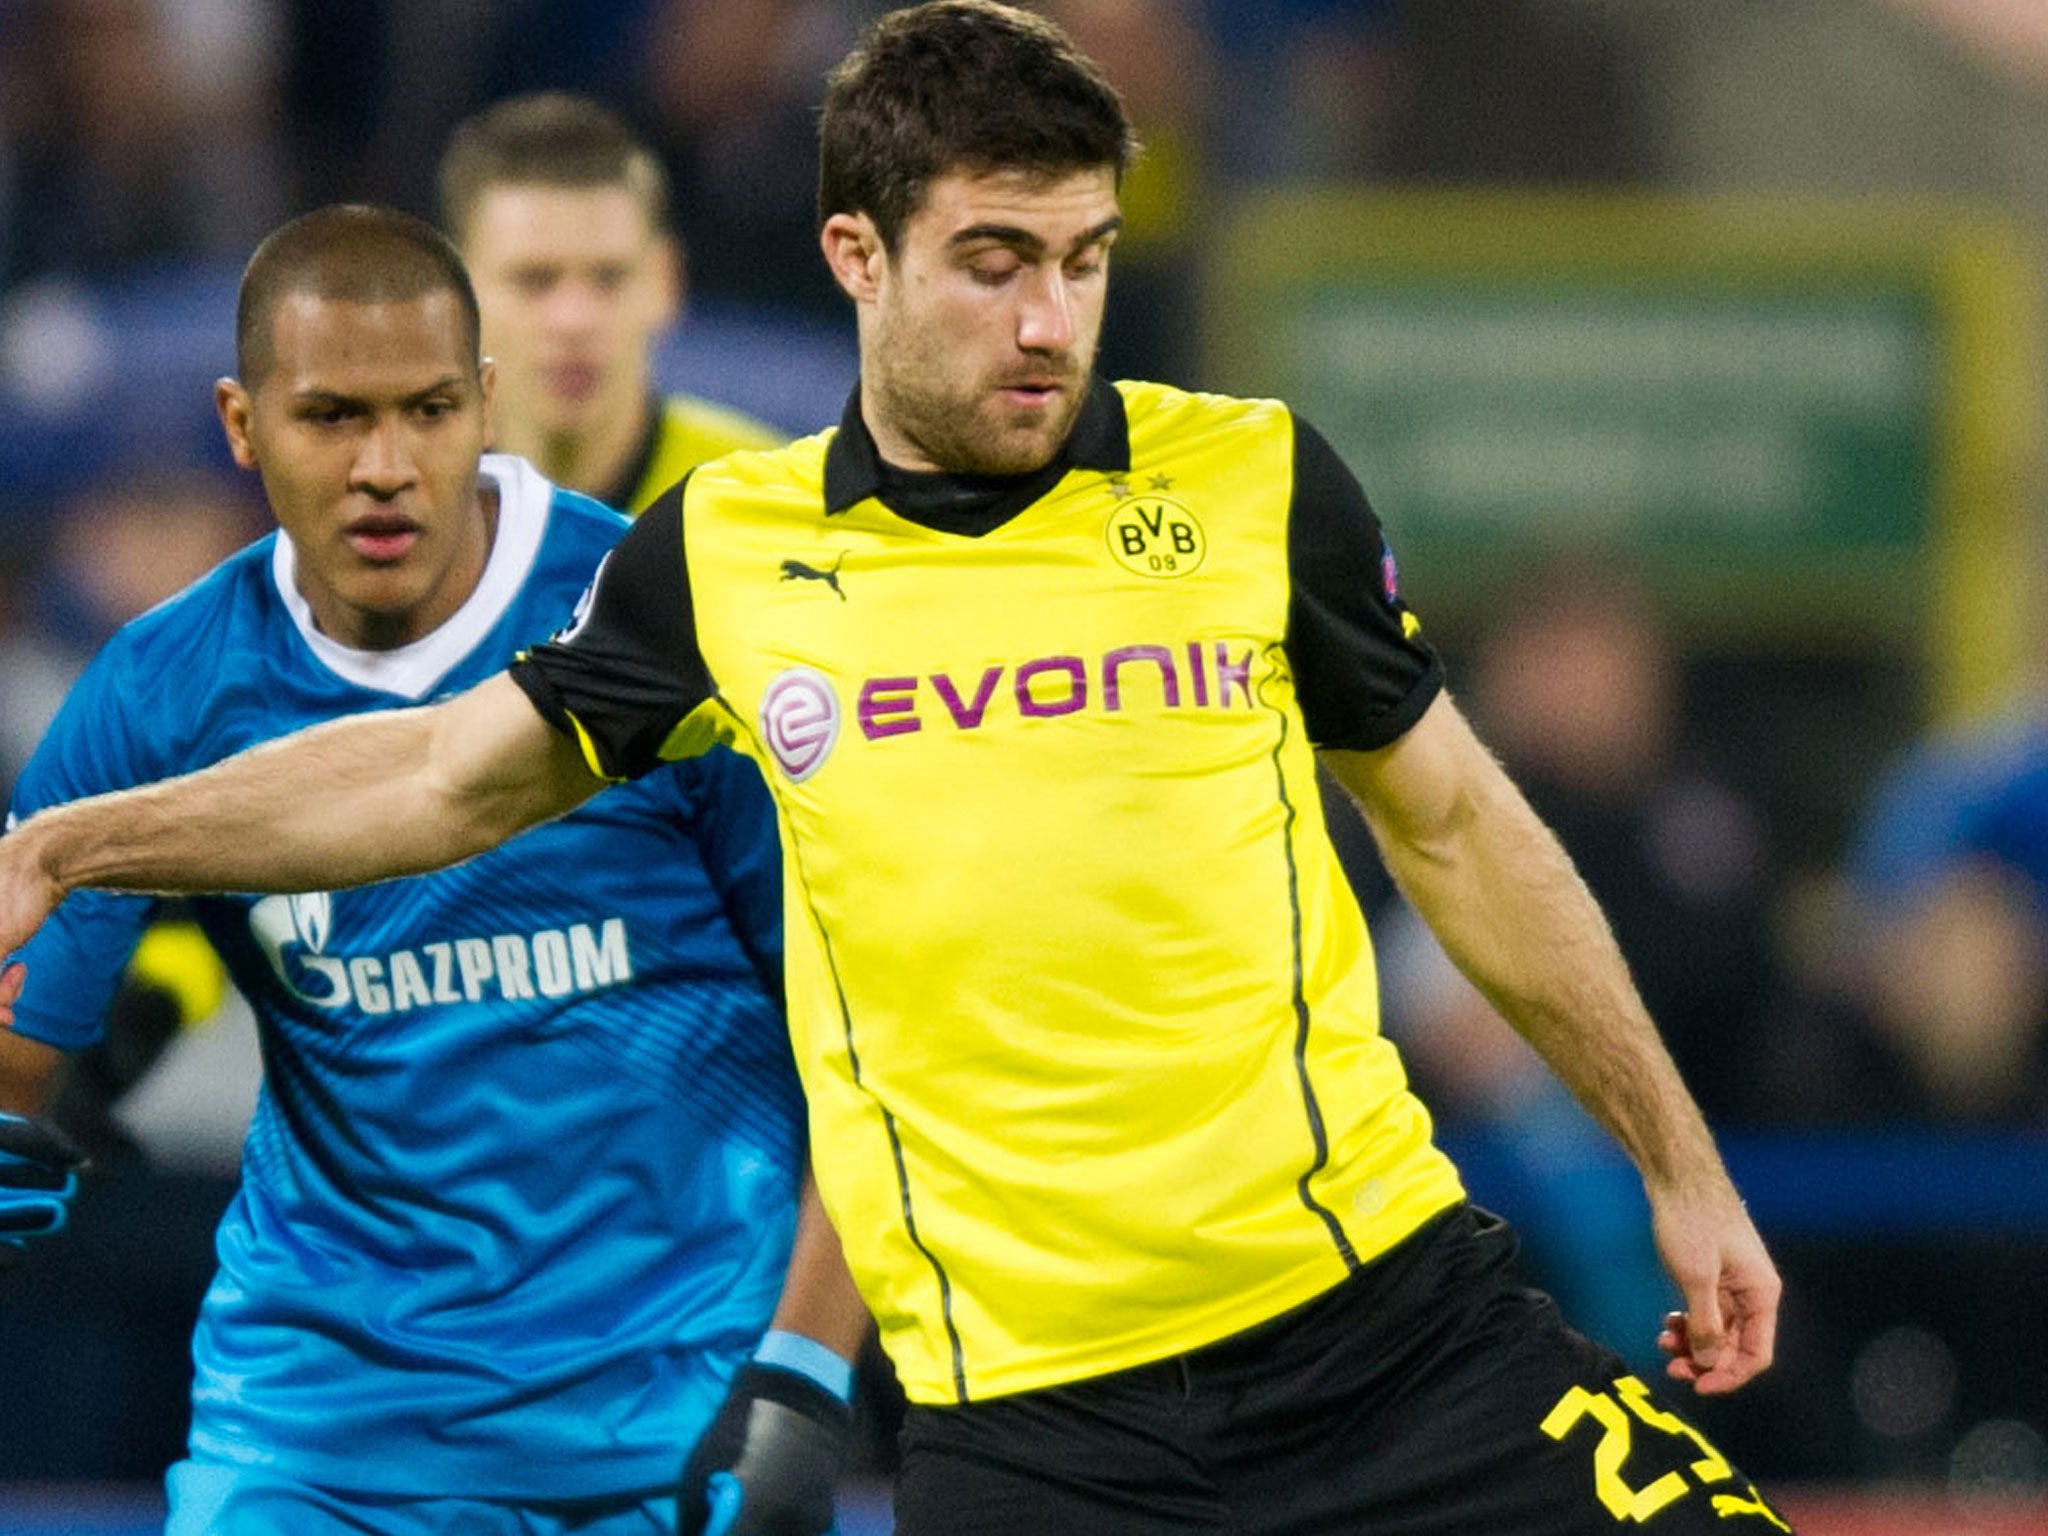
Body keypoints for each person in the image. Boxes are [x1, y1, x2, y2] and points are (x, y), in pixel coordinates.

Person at [0, 7, 1795, 1532]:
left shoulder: (1252, 482)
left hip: (1391, 1334)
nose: (1048, 322)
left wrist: (1678, 1162)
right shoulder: (725, 557)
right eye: (993, 262)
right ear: (859, 255)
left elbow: (1460, 825)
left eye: (1083, 259)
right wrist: (79, 842)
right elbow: (431, 783)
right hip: (1035, 1441)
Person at [0, 204, 870, 1536]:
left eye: (427, 411)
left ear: (487, 406)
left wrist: (805, 1376)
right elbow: (23, 1060)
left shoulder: (668, 630)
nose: (387, 467)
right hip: (312, 1445)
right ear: (241, 426)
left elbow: (872, 1043)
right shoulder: (159, 696)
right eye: (333, 417)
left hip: (659, 1443)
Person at [439, 90, 783, 515]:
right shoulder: (395, 510)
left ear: (667, 282)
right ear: (454, 297)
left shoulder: (770, 505)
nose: (574, 320)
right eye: (534, 281)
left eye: (609, 278)